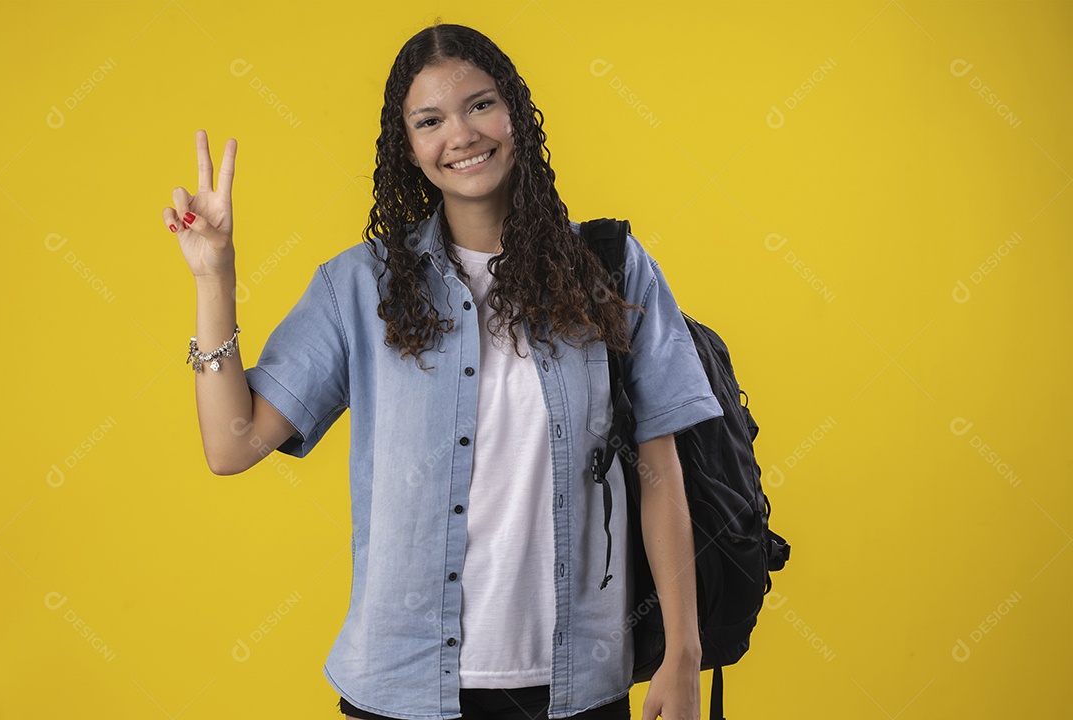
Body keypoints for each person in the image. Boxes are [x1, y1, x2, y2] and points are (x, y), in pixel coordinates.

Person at [162, 23, 722, 720]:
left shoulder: (608, 268)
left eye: (480, 105)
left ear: (516, 112)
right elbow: (232, 443)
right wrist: (215, 276)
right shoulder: (358, 288)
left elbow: (659, 469)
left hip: (578, 687)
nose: (460, 134)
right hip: (403, 688)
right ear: (409, 146)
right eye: (430, 120)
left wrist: (683, 656)